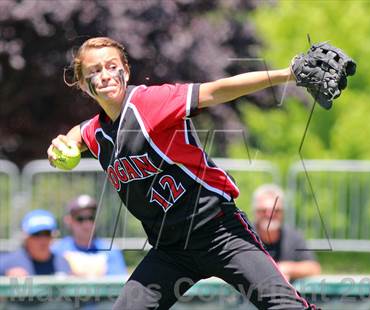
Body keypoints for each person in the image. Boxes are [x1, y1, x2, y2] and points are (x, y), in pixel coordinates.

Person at [47, 37, 317, 309]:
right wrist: (63, 143)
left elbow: (216, 91)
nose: (105, 75)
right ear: (83, 84)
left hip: (219, 232)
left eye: (111, 66)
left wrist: (287, 74)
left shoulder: (149, 103)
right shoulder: (97, 132)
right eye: (94, 71)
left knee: (284, 306)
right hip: (170, 250)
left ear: (126, 71)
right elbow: (80, 134)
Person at [252, 184, 321, 281]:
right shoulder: (244, 235)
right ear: (255, 212)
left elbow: (314, 268)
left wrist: (286, 269)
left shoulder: (293, 236)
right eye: (264, 210)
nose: (270, 215)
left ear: (283, 213)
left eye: (276, 210)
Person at [52, 194, 127, 277]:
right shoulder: (56, 250)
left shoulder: (111, 251)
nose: (87, 224)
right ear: (69, 221)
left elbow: (118, 283)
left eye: (91, 218)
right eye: (80, 219)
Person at [0, 209, 71, 276]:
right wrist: (6, 278)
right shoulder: (7, 263)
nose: (43, 240)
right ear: (25, 237)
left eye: (47, 234)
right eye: (36, 234)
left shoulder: (62, 263)